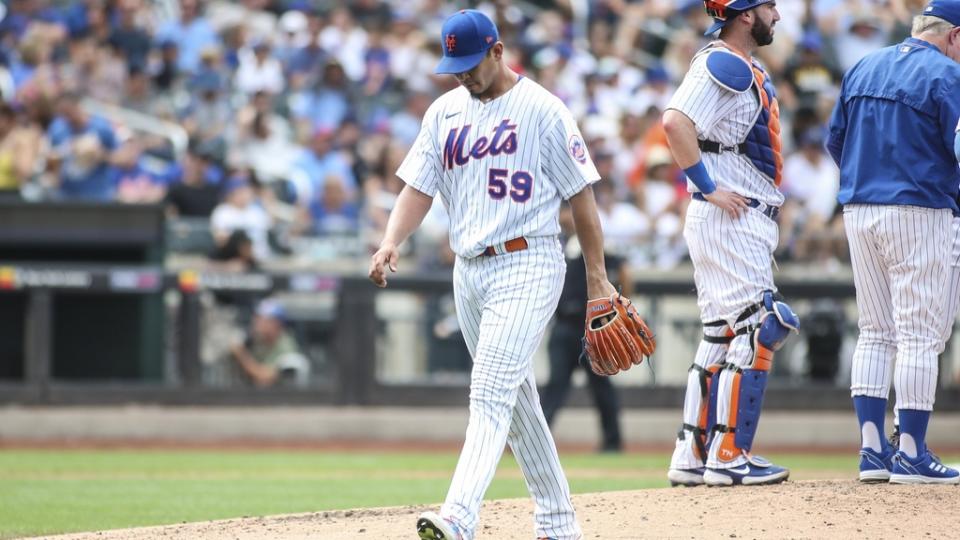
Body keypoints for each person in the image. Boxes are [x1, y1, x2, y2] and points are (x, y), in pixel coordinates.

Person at [367, 10, 618, 540]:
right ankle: (557, 522)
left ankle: (459, 516)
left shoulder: (544, 110)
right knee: (517, 400)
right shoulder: (443, 113)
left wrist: (598, 278)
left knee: (487, 391)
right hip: (470, 270)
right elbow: (418, 187)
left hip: (529, 260)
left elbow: (582, 199)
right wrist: (392, 240)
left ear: (498, 51)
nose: (462, 73)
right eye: (453, 64)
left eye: (470, 62)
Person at [663, 0, 797, 487]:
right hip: (732, 214)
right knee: (756, 328)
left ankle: (692, 454)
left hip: (732, 216)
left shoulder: (739, 64)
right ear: (745, 14)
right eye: (769, 7)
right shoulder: (724, 61)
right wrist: (706, 185)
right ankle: (728, 454)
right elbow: (676, 122)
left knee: (722, 335)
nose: (777, 16)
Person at [826, 0, 960, 484]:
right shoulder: (948, 76)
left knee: (876, 330)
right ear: (954, 36)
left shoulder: (863, 65)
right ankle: (911, 452)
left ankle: (872, 451)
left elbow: (835, 142)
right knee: (920, 335)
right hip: (919, 207)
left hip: (860, 208)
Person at [541, 204, 628, 453]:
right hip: (564, 327)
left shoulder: (598, 243)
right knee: (555, 386)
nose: (563, 217)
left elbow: (624, 270)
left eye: (567, 211)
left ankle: (613, 442)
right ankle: (537, 444)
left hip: (592, 328)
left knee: (602, 388)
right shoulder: (561, 243)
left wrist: (620, 305)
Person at [229, 299, 309, 388]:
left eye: (263, 319)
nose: (257, 323)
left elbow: (265, 379)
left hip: (280, 399)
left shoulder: (286, 346)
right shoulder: (257, 341)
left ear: (276, 323)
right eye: (257, 318)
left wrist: (241, 354)